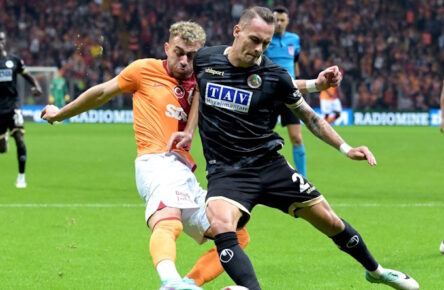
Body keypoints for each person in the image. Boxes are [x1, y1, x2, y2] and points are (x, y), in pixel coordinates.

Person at [174, 6, 419, 290]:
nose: (259, 49)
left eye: (265, 43)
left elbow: (311, 117)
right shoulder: (205, 60)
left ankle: (376, 271)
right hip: (227, 173)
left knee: (331, 221)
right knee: (221, 225)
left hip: (270, 165)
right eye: (254, 40)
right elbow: (182, 82)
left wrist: (346, 148)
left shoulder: (274, 75)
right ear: (237, 31)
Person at [40, 21, 250, 290]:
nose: (185, 61)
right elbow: (102, 92)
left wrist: (312, 85)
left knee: (235, 234)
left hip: (184, 169)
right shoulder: (143, 70)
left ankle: (190, 284)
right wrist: (61, 114)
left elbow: (260, 82)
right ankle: (171, 282)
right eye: (179, 53)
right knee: (169, 221)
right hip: (156, 162)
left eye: (192, 55)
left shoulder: (203, 79)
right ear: (166, 48)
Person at [264, 6, 307, 177]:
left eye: (282, 20)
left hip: (290, 93)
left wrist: (298, 83)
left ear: (287, 21)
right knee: (261, 137)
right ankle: (258, 172)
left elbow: (295, 62)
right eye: (276, 20)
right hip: (269, 96)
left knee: (297, 138)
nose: (279, 23)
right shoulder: (265, 40)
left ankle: (303, 178)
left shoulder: (294, 40)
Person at [0, 31, 42, 188]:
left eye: (2, 39)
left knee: (20, 140)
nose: (0, 42)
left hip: (13, 107)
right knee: (2, 149)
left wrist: (36, 86)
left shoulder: (13, 61)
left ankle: (21, 177)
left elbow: (28, 76)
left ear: (5, 41)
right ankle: (3, 141)